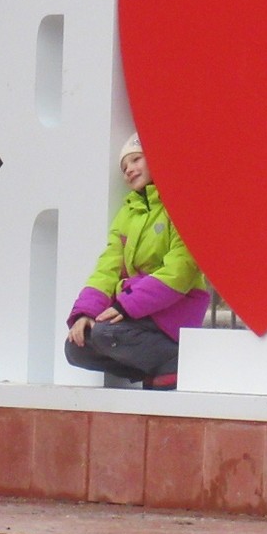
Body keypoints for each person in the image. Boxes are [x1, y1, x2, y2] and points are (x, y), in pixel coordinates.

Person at [64, 133, 209, 390]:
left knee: (106, 333)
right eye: (124, 167)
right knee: (76, 347)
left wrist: (126, 306)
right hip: (134, 311)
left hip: (173, 307)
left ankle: (174, 361)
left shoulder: (179, 203)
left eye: (136, 159)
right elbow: (107, 268)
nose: (129, 169)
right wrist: (85, 314)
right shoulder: (127, 214)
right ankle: (154, 368)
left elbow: (181, 269)